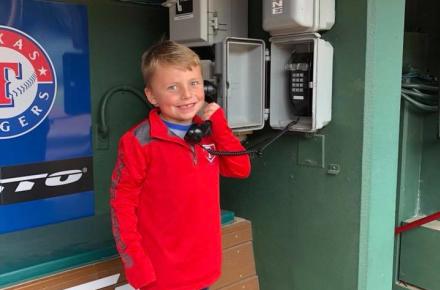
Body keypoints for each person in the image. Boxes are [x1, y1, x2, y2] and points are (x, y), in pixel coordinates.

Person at [110, 40, 251, 290]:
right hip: (161, 275)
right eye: (173, 87)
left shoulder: (209, 133)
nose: (187, 95)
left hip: (203, 269)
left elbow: (240, 169)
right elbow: (122, 206)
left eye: (194, 83)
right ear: (152, 95)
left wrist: (219, 125)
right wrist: (136, 264)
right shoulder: (138, 142)